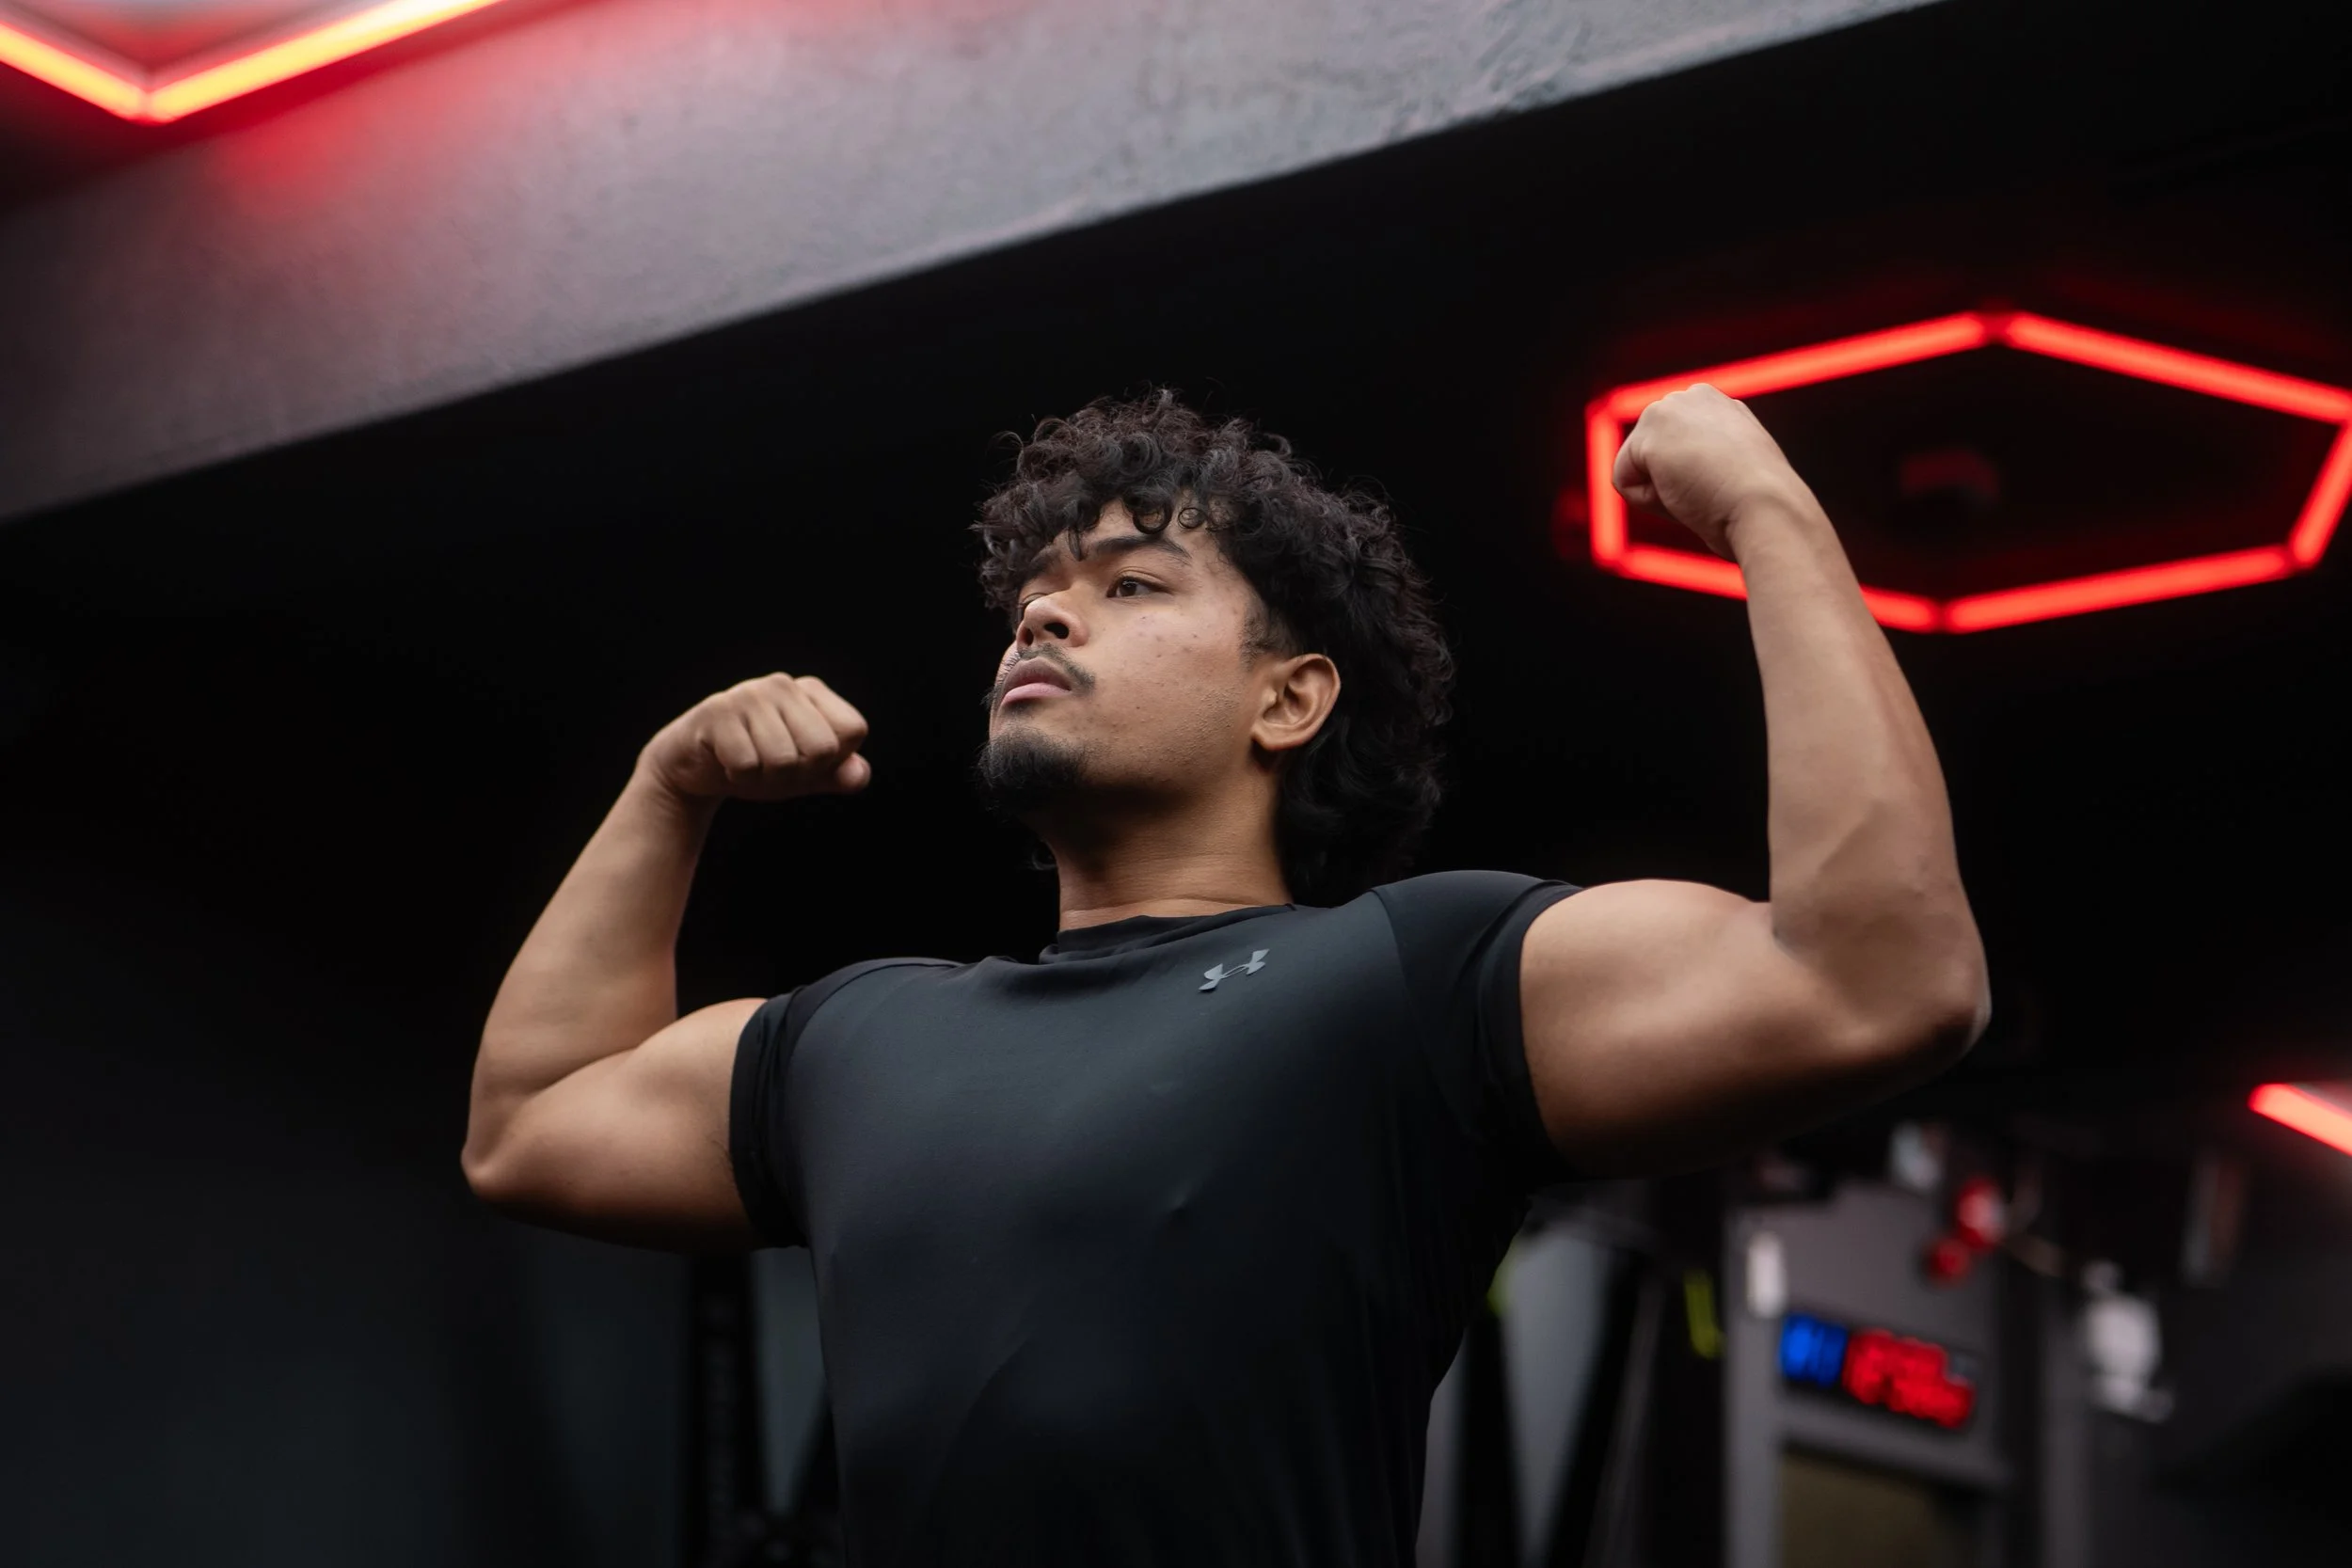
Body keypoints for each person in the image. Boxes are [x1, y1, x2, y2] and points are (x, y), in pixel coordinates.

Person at [461, 388, 1988, 1565]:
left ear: (1289, 697)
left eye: (1131, 586)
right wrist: (668, 791)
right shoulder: (861, 1033)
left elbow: (1881, 976)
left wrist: (1769, 509)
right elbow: (527, 1124)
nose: (1046, 613)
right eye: (1035, 597)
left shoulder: (1408, 977)